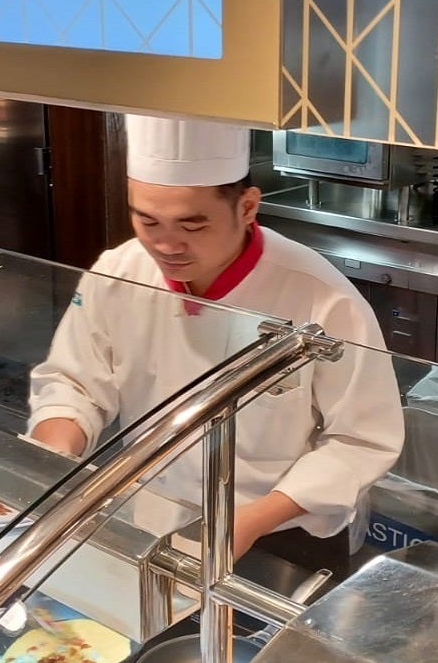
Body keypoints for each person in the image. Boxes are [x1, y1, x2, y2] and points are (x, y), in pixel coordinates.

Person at [27, 115, 404, 575]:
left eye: (193, 224)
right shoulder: (119, 272)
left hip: (280, 536)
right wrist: (48, 464)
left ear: (247, 207)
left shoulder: (322, 297)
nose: (167, 245)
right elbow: (75, 383)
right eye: (147, 220)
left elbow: (362, 439)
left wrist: (244, 523)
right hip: (150, 518)